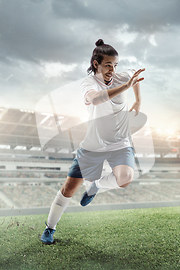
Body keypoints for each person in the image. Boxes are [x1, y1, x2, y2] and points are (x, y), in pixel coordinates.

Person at [40, 39, 145, 244]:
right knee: (68, 189)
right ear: (96, 64)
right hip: (93, 146)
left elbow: (135, 76)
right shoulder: (88, 83)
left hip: (120, 143)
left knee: (125, 178)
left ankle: (96, 184)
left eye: (115, 65)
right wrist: (126, 86)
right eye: (108, 65)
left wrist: (138, 99)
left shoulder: (121, 75)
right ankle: (49, 229)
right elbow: (96, 99)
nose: (112, 70)